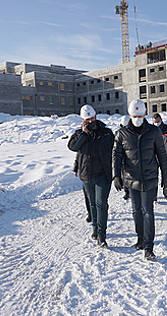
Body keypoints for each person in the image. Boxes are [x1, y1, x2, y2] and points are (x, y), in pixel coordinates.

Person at [113, 99, 167, 260]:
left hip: (149, 178)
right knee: (136, 211)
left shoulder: (153, 131)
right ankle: (140, 238)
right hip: (131, 179)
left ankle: (148, 246)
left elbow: (162, 155)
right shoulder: (122, 133)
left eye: (140, 115)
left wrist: (166, 177)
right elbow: (116, 155)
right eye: (134, 115)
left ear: (145, 114)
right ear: (129, 115)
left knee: (147, 211)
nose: (137, 118)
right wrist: (116, 175)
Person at [68, 105, 114, 247]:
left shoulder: (106, 133)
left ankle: (102, 234)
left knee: (101, 204)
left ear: (96, 117)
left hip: (103, 175)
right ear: (82, 120)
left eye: (92, 119)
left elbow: (115, 152)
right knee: (92, 203)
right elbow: (73, 147)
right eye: (86, 120)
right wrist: (84, 133)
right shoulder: (80, 134)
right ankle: (95, 227)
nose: (90, 122)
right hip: (87, 175)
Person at [118, 115, 131, 200]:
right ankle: (127, 191)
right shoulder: (118, 133)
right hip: (123, 159)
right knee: (125, 176)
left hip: (132, 158)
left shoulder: (133, 132)